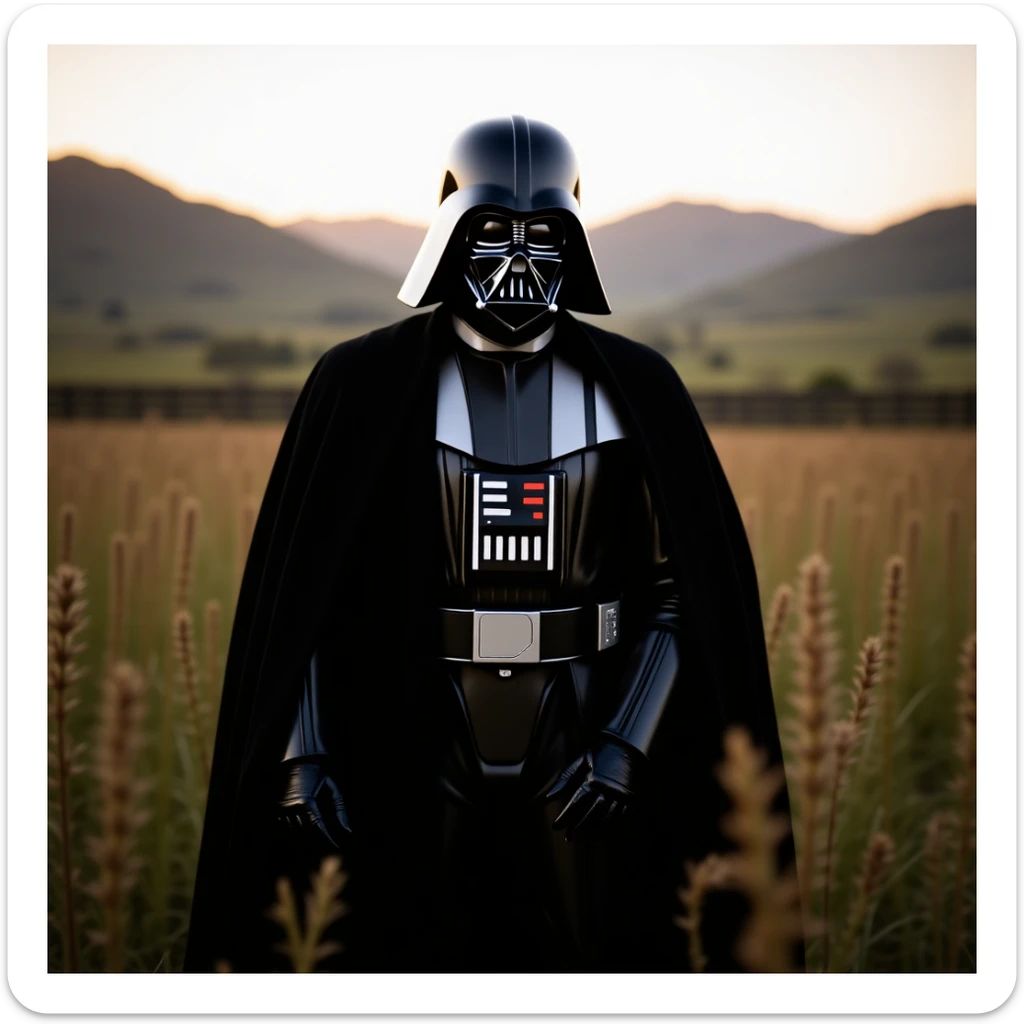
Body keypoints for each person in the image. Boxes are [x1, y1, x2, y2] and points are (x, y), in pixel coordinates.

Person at [184, 116, 794, 973]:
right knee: (410, 948)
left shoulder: (637, 389)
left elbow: (679, 591)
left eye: (542, 235)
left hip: (580, 717)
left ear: (574, 241)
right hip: (415, 716)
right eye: (492, 231)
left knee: (584, 952)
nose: (517, 261)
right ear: (449, 229)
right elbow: (309, 597)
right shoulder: (362, 386)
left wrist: (625, 743)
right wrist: (304, 749)